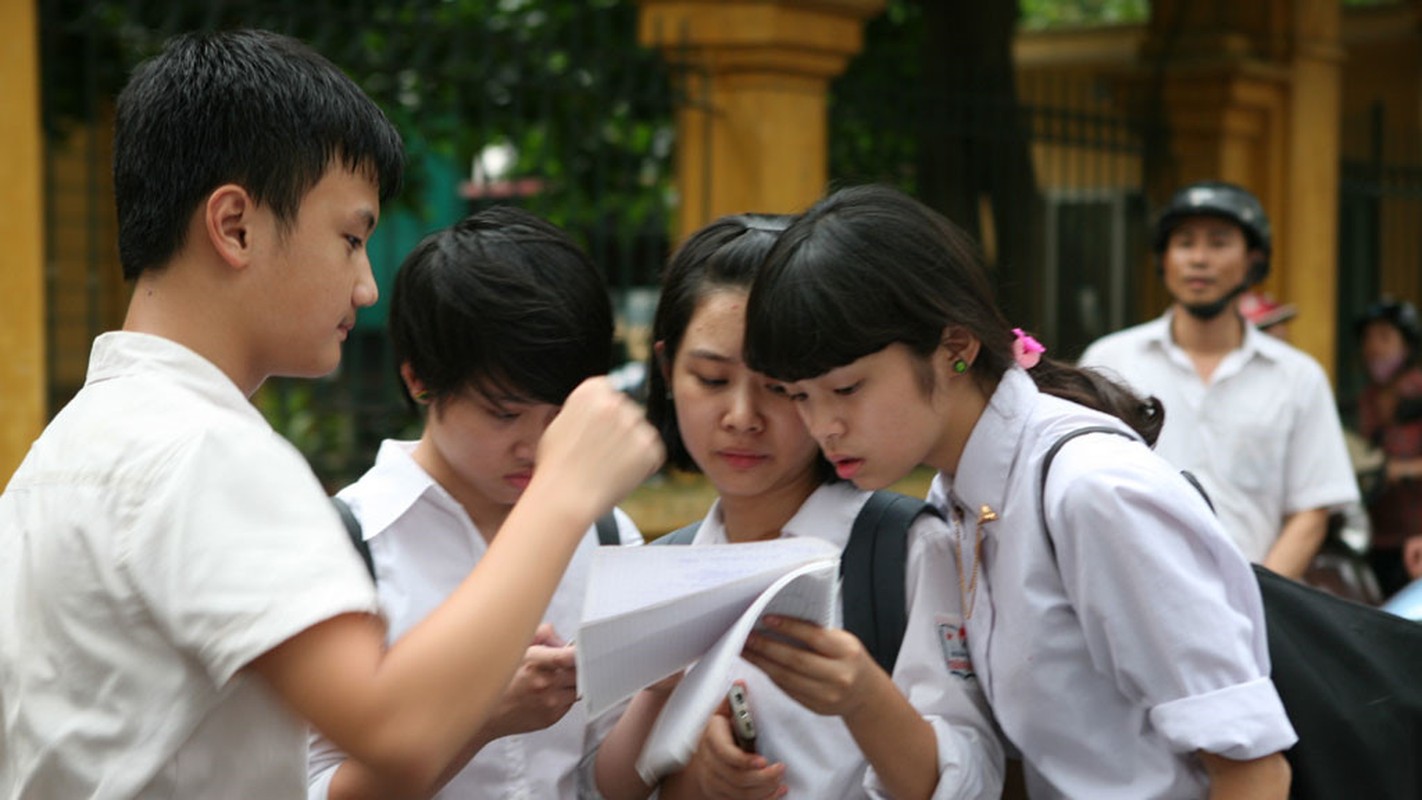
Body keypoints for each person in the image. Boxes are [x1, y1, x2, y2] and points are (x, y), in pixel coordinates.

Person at [0, 30, 662, 799]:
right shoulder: (208, 452)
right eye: (350, 238)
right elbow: (398, 731)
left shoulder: (61, 454)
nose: (366, 286)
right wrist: (566, 491)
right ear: (235, 226)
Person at [742, 184, 1297, 799]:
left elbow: (1252, 768)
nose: (824, 426)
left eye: (846, 389)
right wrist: (862, 697)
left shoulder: (1092, 492)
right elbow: (967, 764)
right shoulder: (956, 501)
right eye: (799, 396)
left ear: (955, 347)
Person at [591, 214, 1002, 800]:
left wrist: (864, 699)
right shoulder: (664, 565)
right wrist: (693, 772)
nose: (741, 416)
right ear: (666, 369)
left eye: (779, 388)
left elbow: (972, 780)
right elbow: (607, 786)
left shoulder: (900, 549)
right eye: (710, 379)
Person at [306, 207, 645, 799]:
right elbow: (311, 789)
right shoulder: (343, 547)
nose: (538, 444)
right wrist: (480, 719)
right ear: (419, 379)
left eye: (562, 411)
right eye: (504, 413)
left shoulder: (610, 536)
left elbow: (608, 779)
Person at [1078, 181, 1359, 579]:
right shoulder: (1110, 362)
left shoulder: (1298, 377)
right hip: (1132, 594)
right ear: (1164, 259)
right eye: (1184, 243)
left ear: (1253, 260)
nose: (1199, 259)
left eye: (1219, 242)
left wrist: (1259, 599)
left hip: (1254, 608)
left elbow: (1311, 510)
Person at [1353, 297, 1422, 597]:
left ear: (1407, 346)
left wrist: (1402, 469)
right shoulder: (1367, 399)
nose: (1374, 347)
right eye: (1368, 338)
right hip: (1377, 538)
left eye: (1384, 337)